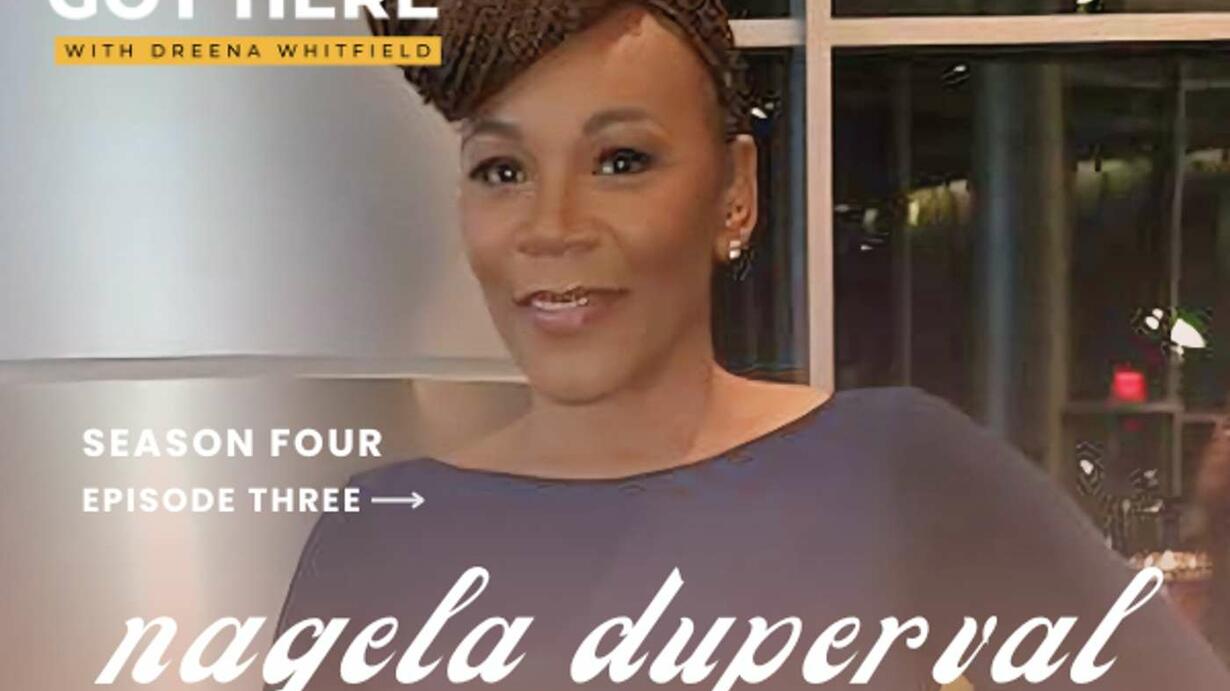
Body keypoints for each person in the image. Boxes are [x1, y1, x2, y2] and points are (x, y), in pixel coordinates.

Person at [271, 2, 1230, 688]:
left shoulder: (897, 470)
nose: (551, 226)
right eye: (502, 169)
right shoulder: (378, 534)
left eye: (620, 161)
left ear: (735, 192)